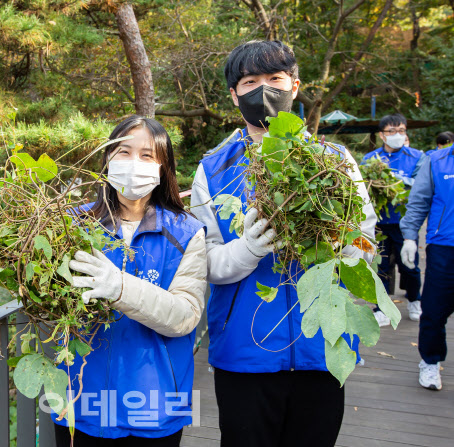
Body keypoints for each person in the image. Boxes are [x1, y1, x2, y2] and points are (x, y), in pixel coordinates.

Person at [190, 40, 377, 447]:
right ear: (234, 95)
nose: (264, 90)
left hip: (322, 346)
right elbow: (204, 262)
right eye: (250, 81)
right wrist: (247, 250)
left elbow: (366, 239)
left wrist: (343, 242)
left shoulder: (334, 160)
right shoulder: (214, 170)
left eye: (275, 79)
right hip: (245, 352)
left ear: (294, 85)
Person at [51, 115, 207, 446]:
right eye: (123, 151)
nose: (134, 163)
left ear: (163, 168)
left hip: (156, 404)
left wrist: (120, 288)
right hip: (81, 401)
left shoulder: (186, 233)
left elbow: (185, 315)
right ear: (106, 160)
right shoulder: (71, 226)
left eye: (147, 155)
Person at [362, 113, 427, 325]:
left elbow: (420, 184)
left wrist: (394, 179)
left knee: (409, 264)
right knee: (379, 265)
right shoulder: (371, 159)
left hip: (405, 223)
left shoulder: (418, 157)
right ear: (382, 135)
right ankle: (382, 307)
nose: (397, 135)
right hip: (378, 223)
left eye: (401, 131)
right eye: (391, 131)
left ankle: (414, 299)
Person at [400, 144, 454, 391]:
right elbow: (419, 200)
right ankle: (430, 361)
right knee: (434, 308)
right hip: (444, 246)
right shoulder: (437, 161)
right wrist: (410, 237)